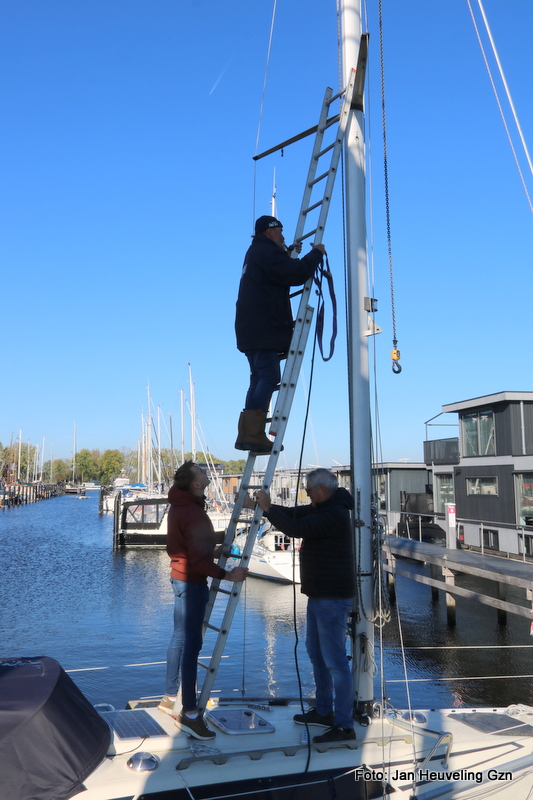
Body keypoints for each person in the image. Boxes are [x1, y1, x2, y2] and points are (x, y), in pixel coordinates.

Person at [243, 467, 356, 743]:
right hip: (320, 595)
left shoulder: (335, 514)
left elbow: (295, 528)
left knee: (335, 662)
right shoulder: (324, 506)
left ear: (320, 490)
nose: (306, 495)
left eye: (308, 490)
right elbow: (294, 514)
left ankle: (344, 725)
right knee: (316, 654)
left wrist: (269, 509)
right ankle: (324, 710)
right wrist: (264, 506)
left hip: (332, 597)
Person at [159, 460, 248, 740]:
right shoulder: (194, 513)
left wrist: (211, 547)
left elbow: (188, 546)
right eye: (203, 473)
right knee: (192, 645)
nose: (208, 475)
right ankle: (191, 714)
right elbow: (198, 561)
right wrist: (227, 575)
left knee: (179, 638)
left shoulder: (179, 506)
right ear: (196, 484)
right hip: (191, 583)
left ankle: (169, 697)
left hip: (179, 578)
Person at [235, 215, 326, 453]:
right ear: (270, 232)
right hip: (263, 328)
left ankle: (246, 434)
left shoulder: (256, 253)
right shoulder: (265, 253)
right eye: (280, 232)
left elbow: (276, 271)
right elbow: (294, 275)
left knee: (257, 378)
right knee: (267, 376)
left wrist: (286, 254)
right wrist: (315, 254)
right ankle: (254, 434)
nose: (284, 237)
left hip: (251, 329)